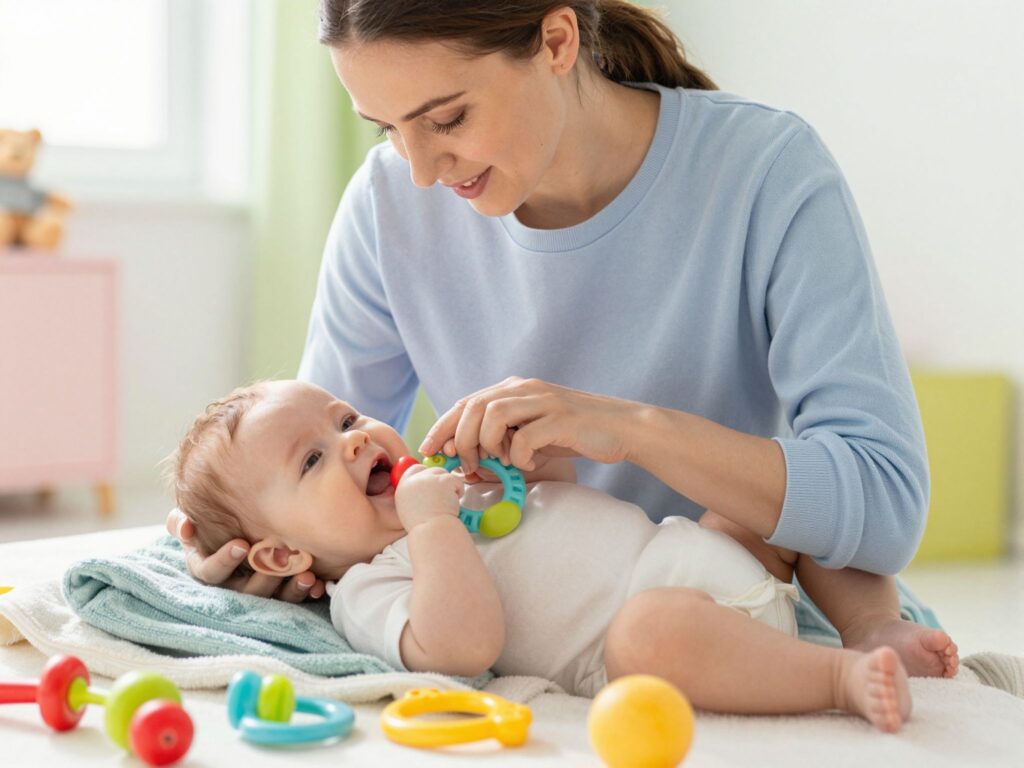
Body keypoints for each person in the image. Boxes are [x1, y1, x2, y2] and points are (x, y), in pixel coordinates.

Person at [170, 1, 937, 653]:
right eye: (386, 130)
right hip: (575, 637)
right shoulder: (385, 207)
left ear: (558, 40)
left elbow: (883, 504)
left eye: (448, 119)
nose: (421, 172)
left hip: (741, 588)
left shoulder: (768, 170)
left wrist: (624, 427)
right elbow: (318, 491)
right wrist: (246, 551)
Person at [169, 379, 957, 731]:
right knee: (648, 632)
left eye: (345, 418)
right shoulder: (372, 589)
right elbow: (460, 649)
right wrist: (434, 527)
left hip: (705, 550)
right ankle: (838, 678)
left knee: (782, 496)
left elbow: (560, 515)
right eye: (311, 461)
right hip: (667, 639)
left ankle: (868, 626)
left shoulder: (448, 491)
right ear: (277, 555)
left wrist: (537, 468)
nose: (352, 442)